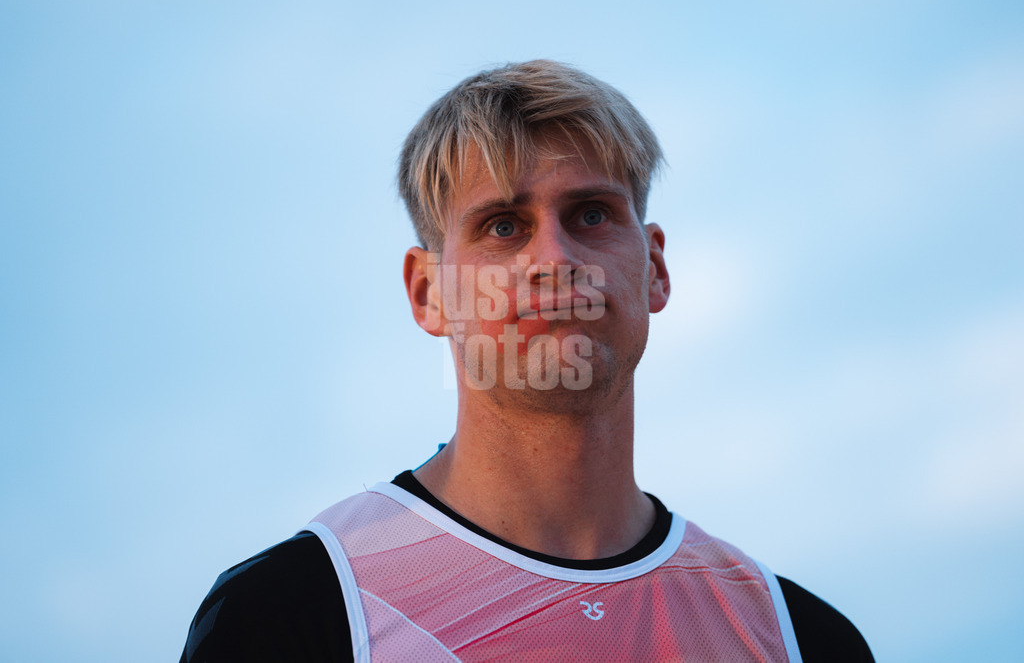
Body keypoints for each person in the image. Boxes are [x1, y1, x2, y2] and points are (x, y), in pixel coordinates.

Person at [181, 60, 873, 662]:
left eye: (591, 214)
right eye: (504, 227)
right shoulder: (297, 610)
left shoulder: (797, 638)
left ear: (655, 269)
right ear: (428, 293)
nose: (555, 259)